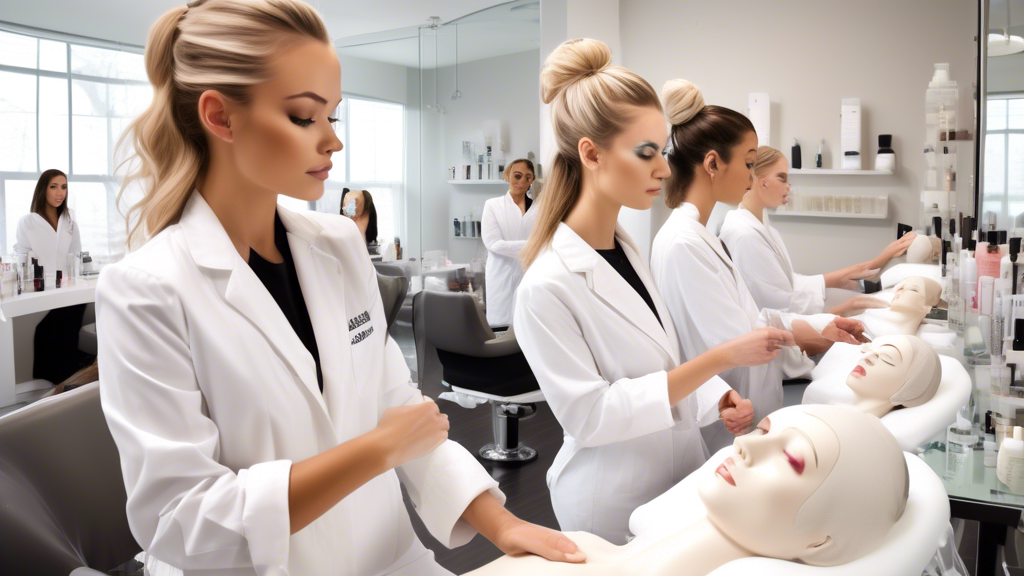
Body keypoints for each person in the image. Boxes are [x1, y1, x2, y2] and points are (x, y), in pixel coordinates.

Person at [96, 3, 584, 575]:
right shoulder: (146, 290)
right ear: (221, 118)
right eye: (305, 118)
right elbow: (180, 521)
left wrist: (505, 525)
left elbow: (400, 410)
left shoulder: (338, 244)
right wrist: (376, 450)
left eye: (334, 116)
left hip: (391, 558)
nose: (333, 142)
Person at [513, 38, 792, 544]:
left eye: (662, 152)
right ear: (591, 153)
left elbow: (659, 364)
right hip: (612, 500)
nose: (664, 169)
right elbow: (593, 415)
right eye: (646, 154)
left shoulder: (630, 250)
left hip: (678, 474)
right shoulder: (546, 286)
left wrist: (716, 393)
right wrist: (717, 361)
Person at [650, 80, 869, 452]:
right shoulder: (684, 243)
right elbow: (738, 344)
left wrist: (823, 325)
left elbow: (753, 322)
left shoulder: (698, 236)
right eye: (749, 164)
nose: (753, 179)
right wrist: (812, 330)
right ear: (713, 164)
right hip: (730, 420)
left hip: (747, 408)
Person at [720, 146, 916, 315]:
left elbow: (790, 283)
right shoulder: (745, 235)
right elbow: (773, 306)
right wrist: (848, 305)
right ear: (761, 181)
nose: (789, 187)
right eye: (782, 178)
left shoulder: (765, 228)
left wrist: (868, 267)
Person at [15, 169, 90, 384]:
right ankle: (55, 386)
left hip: (69, 290)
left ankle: (67, 386)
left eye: (64, 187)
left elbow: (75, 254)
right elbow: (22, 256)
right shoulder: (28, 222)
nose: (60, 193)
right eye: (54, 186)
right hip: (42, 288)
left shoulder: (69, 221)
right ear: (42, 189)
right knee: (45, 332)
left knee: (61, 334)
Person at [481, 158, 537, 326]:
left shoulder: (540, 208)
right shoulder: (492, 205)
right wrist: (535, 245)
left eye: (528, 177)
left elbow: (548, 240)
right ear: (507, 176)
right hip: (500, 278)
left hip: (530, 277)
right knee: (502, 329)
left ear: (532, 180)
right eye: (517, 176)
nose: (521, 182)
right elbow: (493, 244)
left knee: (528, 328)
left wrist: (539, 244)